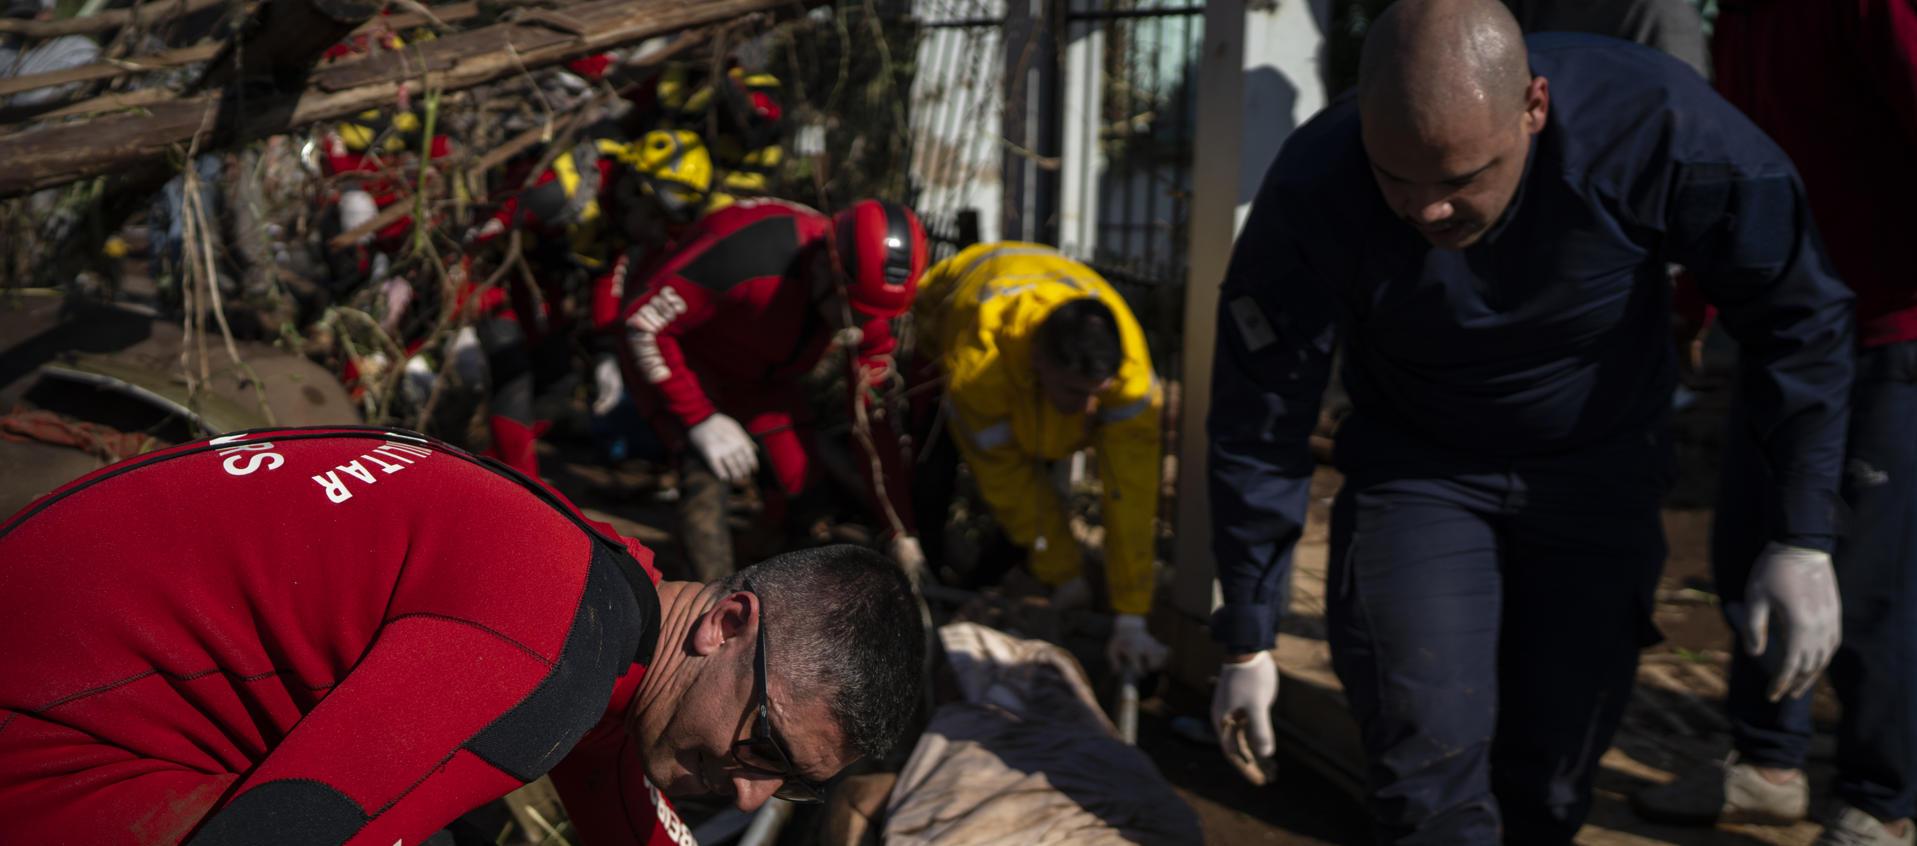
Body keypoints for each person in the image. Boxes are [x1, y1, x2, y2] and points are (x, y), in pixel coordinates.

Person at [1203, 0, 1854, 842]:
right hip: (1418, 468)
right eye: (1397, 178)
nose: (1426, 211)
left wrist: (1801, 534)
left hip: (1597, 465)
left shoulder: (1660, 130)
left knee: (1548, 781)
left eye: (1460, 179)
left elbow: (1798, 319)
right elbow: (1260, 410)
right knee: (1423, 766)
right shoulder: (1316, 183)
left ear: (1533, 109)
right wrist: (1248, 636)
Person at [0, 426, 926, 846]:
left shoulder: (611, 590)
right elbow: (279, 832)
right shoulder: (543, 656)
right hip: (42, 738)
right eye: (763, 744)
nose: (751, 788)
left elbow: (616, 791)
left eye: (792, 787)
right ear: (727, 623)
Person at [1631, 3, 1917, 844]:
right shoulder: (1750, 14)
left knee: (1867, 581)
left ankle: (1882, 797)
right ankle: (1765, 763)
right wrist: (1694, 302)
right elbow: (1741, 170)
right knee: (1753, 551)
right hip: (1779, 331)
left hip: (1885, 331)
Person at [603, 197, 928, 582]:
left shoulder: (862, 306)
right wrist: (699, 418)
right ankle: (704, 600)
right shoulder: (747, 253)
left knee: (805, 489)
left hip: (764, 379)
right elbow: (643, 323)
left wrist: (899, 528)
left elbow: (874, 426)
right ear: (829, 267)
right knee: (706, 474)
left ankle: (768, 582)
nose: (860, 326)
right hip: (686, 362)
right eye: (852, 309)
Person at [909, 242, 1169, 676]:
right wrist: (1065, 573)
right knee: (931, 476)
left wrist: (1131, 615)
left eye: (1096, 396)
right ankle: (926, 596)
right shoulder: (977, 363)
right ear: (1036, 361)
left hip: (1028, 307)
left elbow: (1132, 494)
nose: (1089, 412)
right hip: (949, 315)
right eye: (1074, 393)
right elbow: (1010, 483)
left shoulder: (1130, 376)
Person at [466, 129, 720, 477]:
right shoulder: (557, 191)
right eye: (657, 215)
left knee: (560, 382)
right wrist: (460, 310)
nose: (657, 229)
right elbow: (471, 240)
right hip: (491, 277)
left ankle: (487, 467)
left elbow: (606, 273)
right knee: (514, 376)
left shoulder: (616, 213)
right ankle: (520, 485)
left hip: (536, 283)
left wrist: (605, 352)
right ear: (634, 189)